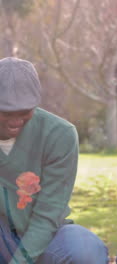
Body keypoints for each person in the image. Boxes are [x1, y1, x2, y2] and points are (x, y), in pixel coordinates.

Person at [0, 57, 108, 263]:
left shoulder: (59, 135)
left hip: (47, 233)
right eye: (6, 112)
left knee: (85, 251)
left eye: (24, 112)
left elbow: (48, 214)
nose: (16, 121)